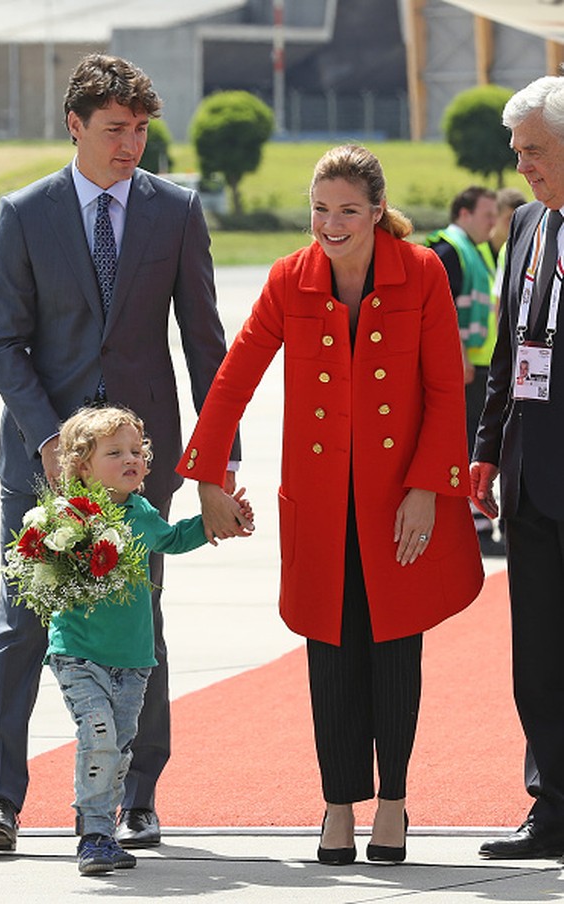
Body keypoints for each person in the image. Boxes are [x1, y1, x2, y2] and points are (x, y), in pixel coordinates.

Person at [176, 145, 484, 864]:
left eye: (348, 210)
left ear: (378, 211)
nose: (331, 224)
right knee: (332, 653)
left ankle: (395, 804)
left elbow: (447, 388)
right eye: (321, 209)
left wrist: (426, 490)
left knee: (394, 650)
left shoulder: (425, 272)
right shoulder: (291, 279)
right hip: (319, 506)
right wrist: (209, 474)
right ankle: (337, 805)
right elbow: (235, 376)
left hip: (397, 504)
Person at [0, 52, 240, 854]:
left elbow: (206, 350)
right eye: (116, 130)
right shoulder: (25, 213)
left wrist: (216, 469)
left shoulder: (175, 211)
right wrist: (50, 440)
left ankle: (139, 793)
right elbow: (4, 343)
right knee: (22, 623)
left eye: (142, 131)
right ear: (76, 126)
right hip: (39, 464)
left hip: (134, 467)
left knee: (138, 623)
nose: (131, 146)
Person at [45, 406, 249, 875]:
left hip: (133, 659)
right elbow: (39, 563)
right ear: (81, 466)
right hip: (78, 653)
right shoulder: (70, 516)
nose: (131, 459)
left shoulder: (139, 510)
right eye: (115, 452)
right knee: (98, 736)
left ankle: (101, 822)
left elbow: (173, 540)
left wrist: (220, 519)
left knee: (118, 746)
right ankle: (94, 835)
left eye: (137, 451)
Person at [471, 75, 564, 860]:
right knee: (537, 655)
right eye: (519, 151)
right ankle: (551, 806)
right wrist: (485, 449)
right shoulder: (528, 223)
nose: (522, 165)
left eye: (534, 151)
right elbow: (508, 350)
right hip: (532, 476)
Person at [426, 186, 504, 557]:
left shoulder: (474, 251)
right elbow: (443, 312)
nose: (492, 223)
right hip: (466, 366)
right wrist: (457, 357)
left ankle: (478, 522)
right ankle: (475, 526)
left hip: (479, 363)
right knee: (470, 445)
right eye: (487, 215)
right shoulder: (449, 252)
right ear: (463, 213)